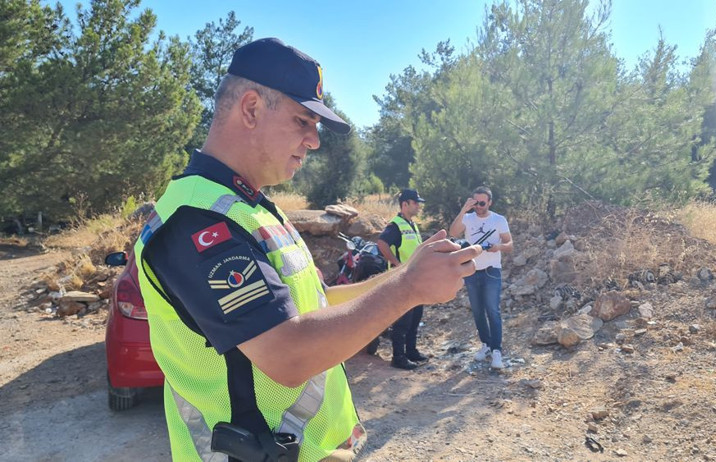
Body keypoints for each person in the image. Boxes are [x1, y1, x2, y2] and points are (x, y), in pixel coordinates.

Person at [134, 38, 480, 462]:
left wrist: (410, 270)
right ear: (251, 108)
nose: (314, 141)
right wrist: (408, 288)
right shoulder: (196, 220)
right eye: (303, 121)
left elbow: (318, 303)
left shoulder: (254, 208)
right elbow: (286, 353)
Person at [448, 186, 513, 369]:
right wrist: (464, 209)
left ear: (489, 202)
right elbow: (453, 232)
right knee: (477, 311)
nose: (478, 206)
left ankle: (497, 350)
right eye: (475, 202)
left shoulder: (498, 220)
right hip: (471, 269)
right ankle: (485, 344)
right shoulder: (468, 218)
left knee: (493, 310)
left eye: (482, 202)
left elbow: (509, 244)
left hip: (491, 270)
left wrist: (498, 247)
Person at [376, 189, 428, 370]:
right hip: (403, 280)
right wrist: (396, 263)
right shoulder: (395, 225)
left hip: (416, 278)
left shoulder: (412, 224)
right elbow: (382, 243)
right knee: (403, 320)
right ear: (405, 204)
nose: (418, 206)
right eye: (415, 202)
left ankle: (411, 351)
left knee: (415, 318)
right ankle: (398, 357)